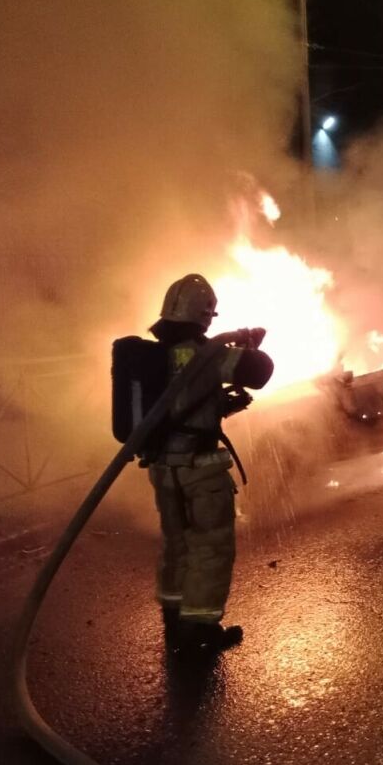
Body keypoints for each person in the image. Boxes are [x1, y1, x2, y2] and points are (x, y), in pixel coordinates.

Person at [147, 274, 273, 652]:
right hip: (200, 468)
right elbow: (260, 372)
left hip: (162, 466)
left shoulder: (157, 353)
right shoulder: (207, 352)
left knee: (176, 542)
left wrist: (220, 405)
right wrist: (250, 345)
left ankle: (173, 612)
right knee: (210, 545)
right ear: (204, 315)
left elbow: (181, 405)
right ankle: (200, 629)